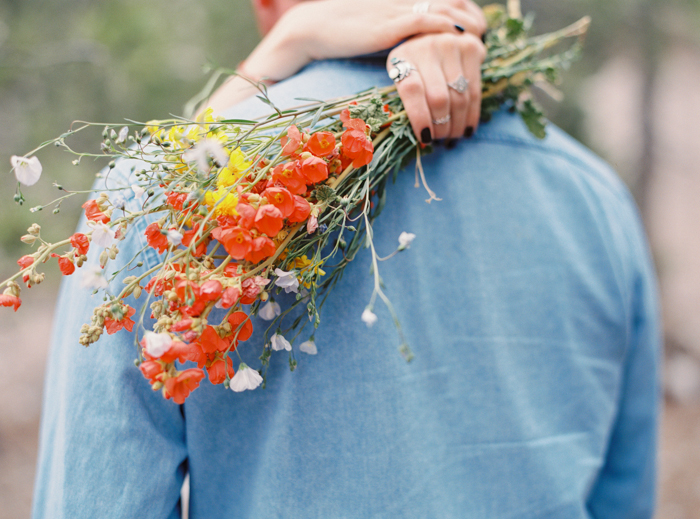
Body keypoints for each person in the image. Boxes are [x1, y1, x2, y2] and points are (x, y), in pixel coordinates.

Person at [32, 1, 661, 518]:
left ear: (268, 9)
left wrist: (268, 64)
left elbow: (97, 501)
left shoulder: (153, 202)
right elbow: (622, 495)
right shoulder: (596, 198)